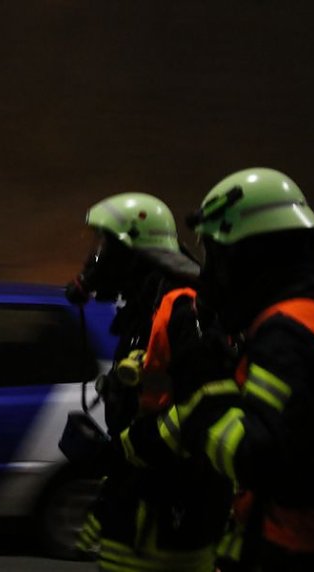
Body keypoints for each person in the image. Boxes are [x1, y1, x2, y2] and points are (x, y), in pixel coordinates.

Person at [121, 167, 314, 571]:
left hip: (308, 553)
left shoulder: (293, 333)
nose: (209, 271)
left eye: (214, 253)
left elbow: (259, 460)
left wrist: (205, 385)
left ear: (244, 257)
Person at [64, 192, 233, 572]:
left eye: (105, 244)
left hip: (170, 520)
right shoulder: (146, 309)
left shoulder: (184, 309)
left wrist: (126, 448)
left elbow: (204, 412)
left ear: (131, 251)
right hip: (139, 514)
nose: (97, 258)